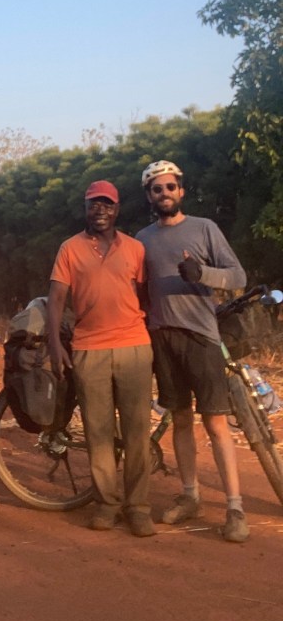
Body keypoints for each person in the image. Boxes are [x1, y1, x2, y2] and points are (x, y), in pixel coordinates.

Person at [136, 160, 249, 543]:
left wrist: (203, 275)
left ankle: (234, 507)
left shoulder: (204, 228)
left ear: (181, 191)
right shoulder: (141, 239)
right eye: (156, 189)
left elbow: (237, 277)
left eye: (170, 187)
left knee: (216, 423)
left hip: (201, 336)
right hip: (162, 339)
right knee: (180, 419)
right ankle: (190, 497)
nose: (164, 193)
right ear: (148, 196)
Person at [46, 181, 154, 536]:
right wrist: (55, 346)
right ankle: (107, 504)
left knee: (137, 431)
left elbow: (146, 296)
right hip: (89, 349)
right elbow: (57, 300)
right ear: (86, 208)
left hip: (134, 346)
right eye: (94, 204)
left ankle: (138, 507)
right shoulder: (70, 249)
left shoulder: (136, 249)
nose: (100, 210)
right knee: (98, 431)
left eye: (107, 204)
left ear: (117, 209)